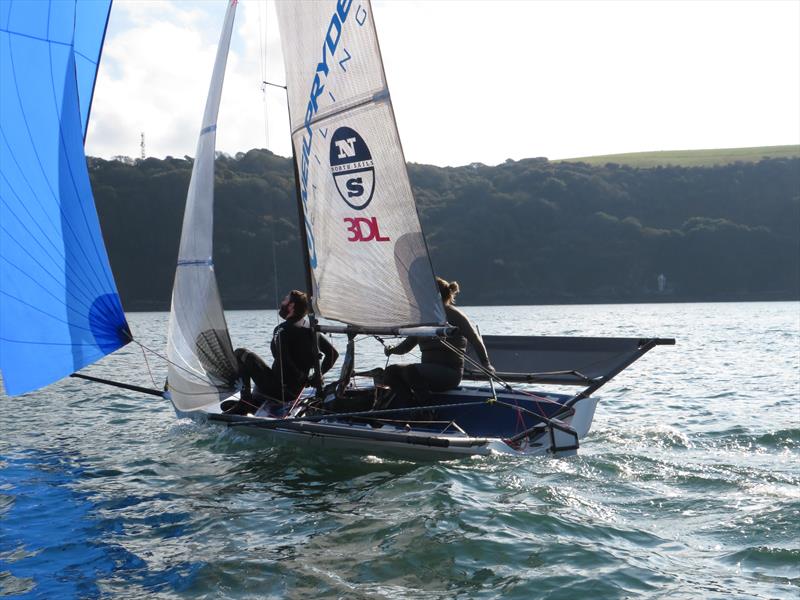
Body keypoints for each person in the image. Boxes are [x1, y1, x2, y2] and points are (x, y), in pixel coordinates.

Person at [382, 277, 493, 410]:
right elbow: (406, 346)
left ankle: (427, 409)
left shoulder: (454, 315)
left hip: (449, 375)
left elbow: (475, 339)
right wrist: (392, 349)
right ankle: (413, 407)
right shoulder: (422, 318)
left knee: (410, 370)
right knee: (390, 372)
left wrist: (486, 364)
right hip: (424, 376)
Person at [223, 290, 338, 415]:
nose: (282, 303)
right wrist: (316, 376)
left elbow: (284, 359)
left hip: (278, 389)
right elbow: (333, 354)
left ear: (291, 306)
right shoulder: (312, 330)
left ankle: (245, 402)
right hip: (296, 391)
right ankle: (253, 402)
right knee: (229, 403)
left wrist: (307, 376)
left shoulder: (282, 330)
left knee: (241, 353)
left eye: (285, 300)